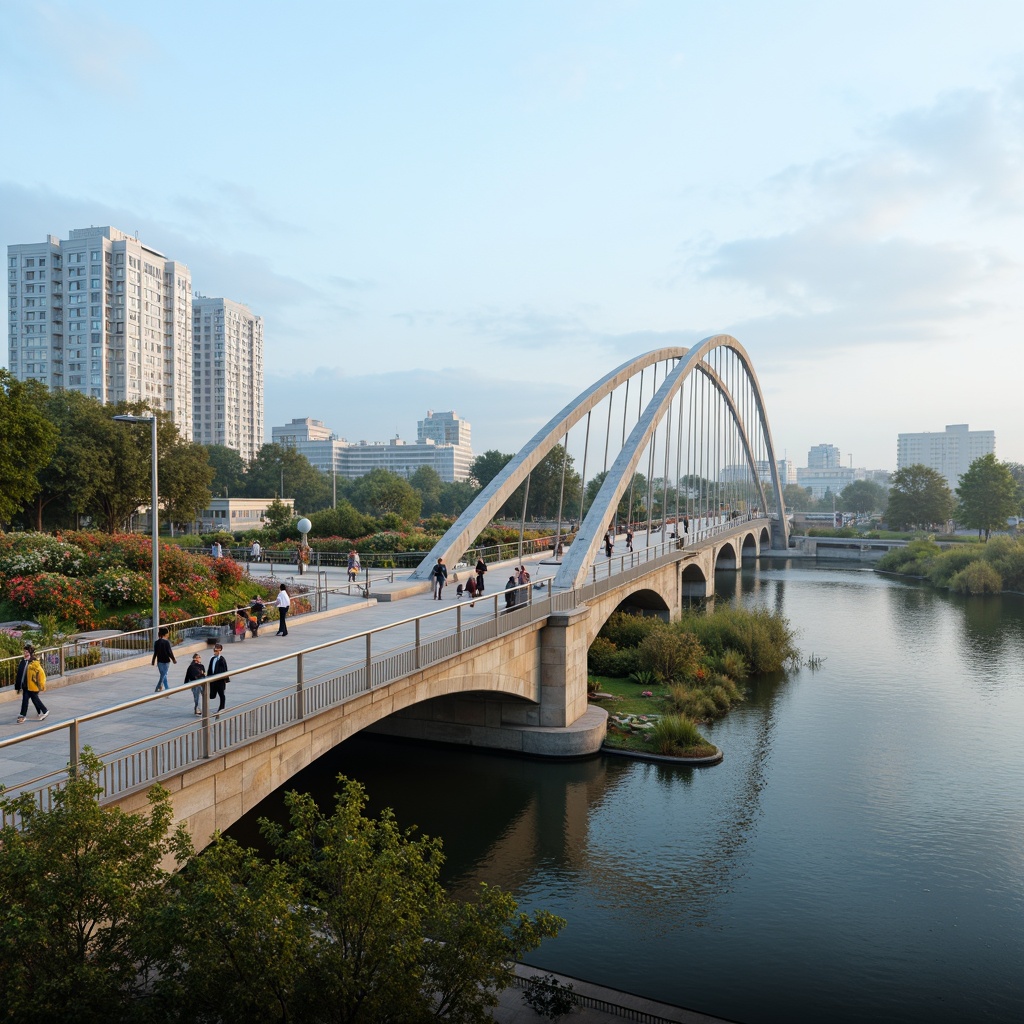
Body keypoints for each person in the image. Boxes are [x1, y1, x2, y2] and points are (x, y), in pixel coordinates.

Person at [15, 645, 48, 724]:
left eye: (26, 652)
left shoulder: (34, 663)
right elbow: (20, 675)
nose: (24, 653)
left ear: (30, 652)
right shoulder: (23, 662)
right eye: (24, 651)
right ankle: (41, 711)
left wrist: (42, 685)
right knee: (28, 700)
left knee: (32, 700)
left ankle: (44, 711)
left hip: (33, 686)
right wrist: (18, 686)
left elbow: (41, 674)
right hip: (25, 686)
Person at [151, 625, 177, 692]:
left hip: (159, 661)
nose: (168, 635)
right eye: (168, 633)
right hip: (166, 661)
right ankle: (163, 688)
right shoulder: (166, 642)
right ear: (165, 634)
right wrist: (173, 659)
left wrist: (153, 660)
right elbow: (169, 652)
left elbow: (155, 652)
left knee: (163, 675)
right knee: (164, 675)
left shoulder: (156, 642)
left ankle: (161, 687)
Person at [207, 643, 229, 716]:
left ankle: (222, 707)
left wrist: (226, 679)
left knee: (221, 694)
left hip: (220, 680)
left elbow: (225, 669)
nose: (217, 652)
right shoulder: (212, 659)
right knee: (212, 695)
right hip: (213, 680)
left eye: (219, 651)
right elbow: (210, 668)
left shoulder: (222, 659)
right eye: (216, 650)